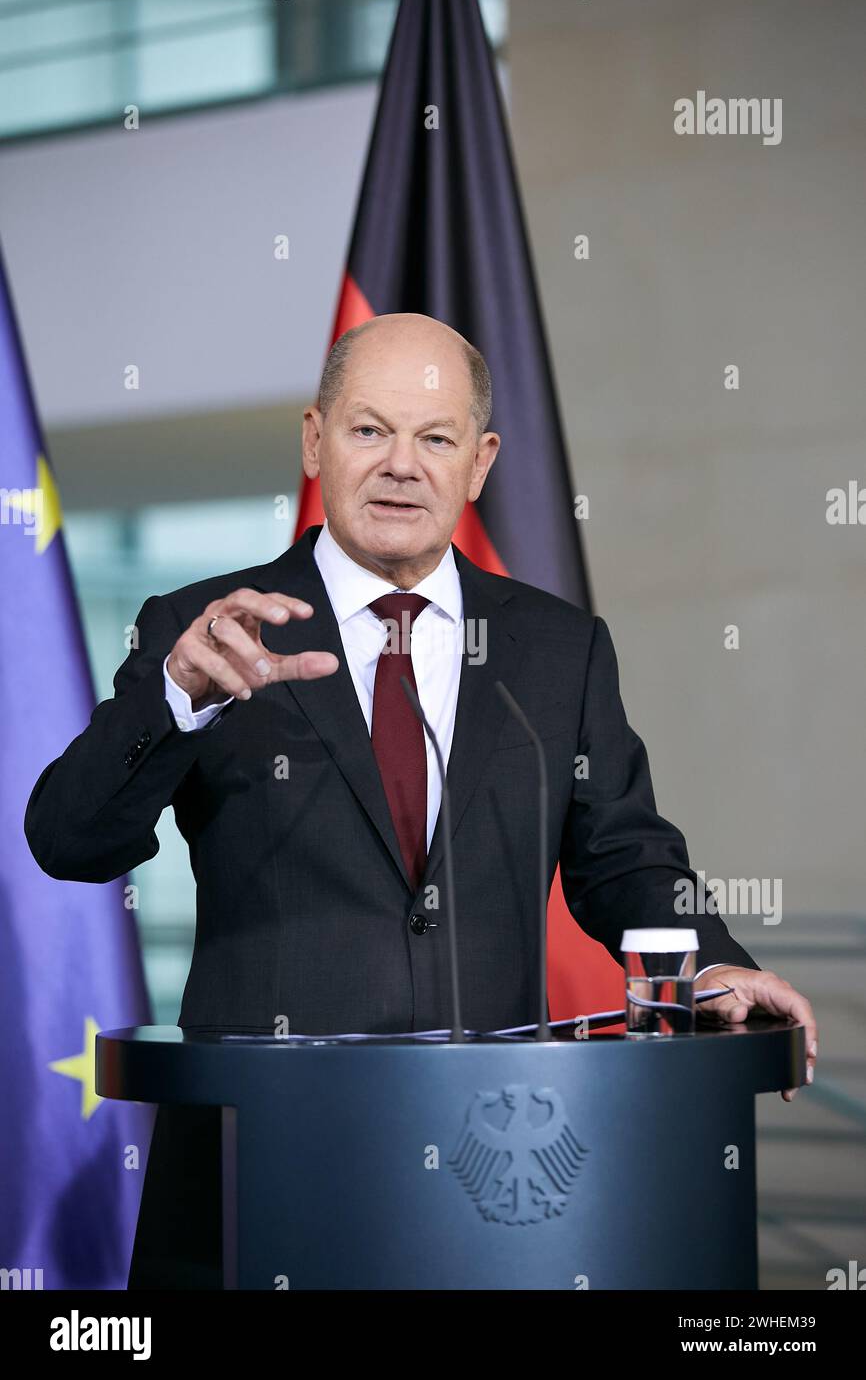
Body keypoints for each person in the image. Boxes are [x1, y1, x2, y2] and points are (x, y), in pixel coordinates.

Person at [25, 312, 817, 1288]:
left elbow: (623, 854)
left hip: (489, 1177)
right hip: (258, 1166)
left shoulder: (554, 648)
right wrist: (176, 696)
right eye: (369, 430)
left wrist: (710, 969)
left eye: (434, 437)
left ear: (478, 462)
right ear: (314, 440)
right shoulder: (212, 630)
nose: (401, 464)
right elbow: (69, 839)